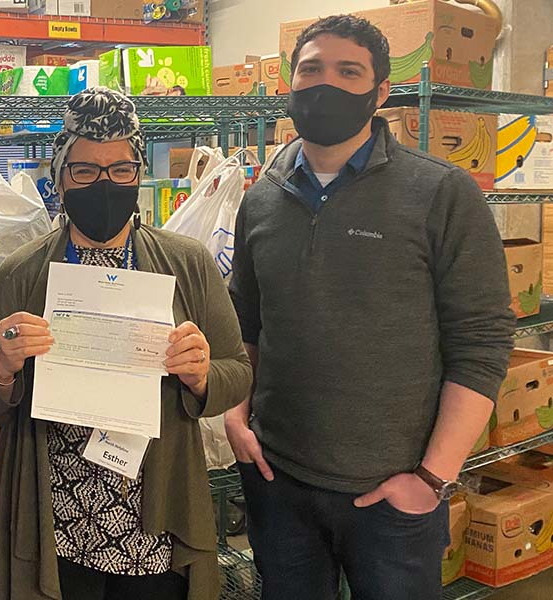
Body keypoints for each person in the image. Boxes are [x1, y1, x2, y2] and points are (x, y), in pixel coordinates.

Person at [226, 15, 515, 600]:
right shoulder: (260, 200)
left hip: (393, 498)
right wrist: (236, 416)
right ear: (290, 83)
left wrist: (432, 478)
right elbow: (246, 325)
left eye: (348, 71)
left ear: (380, 93)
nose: (324, 84)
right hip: (276, 482)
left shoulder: (441, 194)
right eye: (310, 69)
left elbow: (481, 342)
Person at [0, 87, 253, 600]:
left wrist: (202, 374)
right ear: (60, 176)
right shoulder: (21, 273)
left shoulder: (187, 264)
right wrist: (4, 365)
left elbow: (238, 372)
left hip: (154, 521)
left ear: (137, 173)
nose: (105, 183)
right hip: (56, 517)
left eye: (121, 169)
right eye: (86, 170)